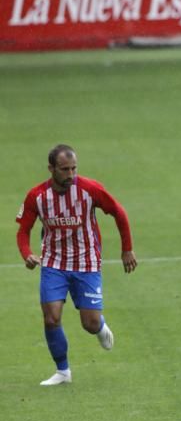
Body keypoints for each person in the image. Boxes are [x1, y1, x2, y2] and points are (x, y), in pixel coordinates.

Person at [15, 144, 137, 386]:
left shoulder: (89, 189)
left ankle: (99, 326)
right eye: (64, 169)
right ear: (51, 169)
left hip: (86, 262)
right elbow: (24, 230)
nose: (71, 174)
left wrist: (127, 249)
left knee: (89, 323)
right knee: (51, 318)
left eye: (74, 169)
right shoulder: (37, 196)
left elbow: (118, 212)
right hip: (54, 263)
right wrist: (27, 254)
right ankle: (63, 372)